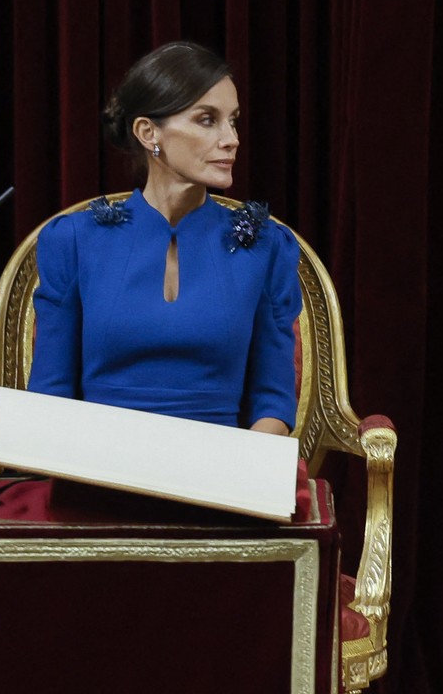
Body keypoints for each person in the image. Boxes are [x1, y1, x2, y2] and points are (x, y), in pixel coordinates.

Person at [26, 41, 301, 433]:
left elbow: (273, 401)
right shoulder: (74, 240)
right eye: (207, 120)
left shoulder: (266, 246)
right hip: (98, 473)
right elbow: (49, 395)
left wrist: (238, 480)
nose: (231, 139)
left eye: (233, 120)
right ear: (147, 132)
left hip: (216, 480)